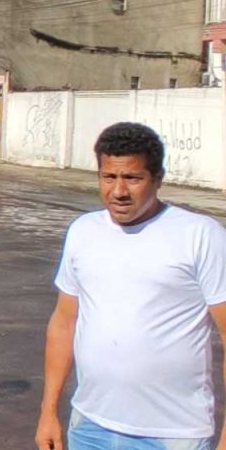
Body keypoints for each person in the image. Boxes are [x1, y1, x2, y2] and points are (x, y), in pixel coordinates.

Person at [35, 122, 226, 450]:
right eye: (109, 177)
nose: (119, 191)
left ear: (158, 179)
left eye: (133, 178)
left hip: (173, 434)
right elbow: (64, 323)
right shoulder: (83, 232)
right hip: (90, 426)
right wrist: (48, 411)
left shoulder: (200, 236)